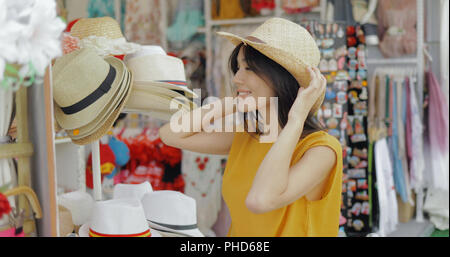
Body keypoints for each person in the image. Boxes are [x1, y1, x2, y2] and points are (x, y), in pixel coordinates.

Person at [159, 18, 343, 237]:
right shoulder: (248, 135)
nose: (237, 77)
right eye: (238, 68)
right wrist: (234, 102)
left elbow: (260, 200)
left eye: (249, 68)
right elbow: (171, 134)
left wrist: (296, 119)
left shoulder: (321, 150)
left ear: (281, 76)